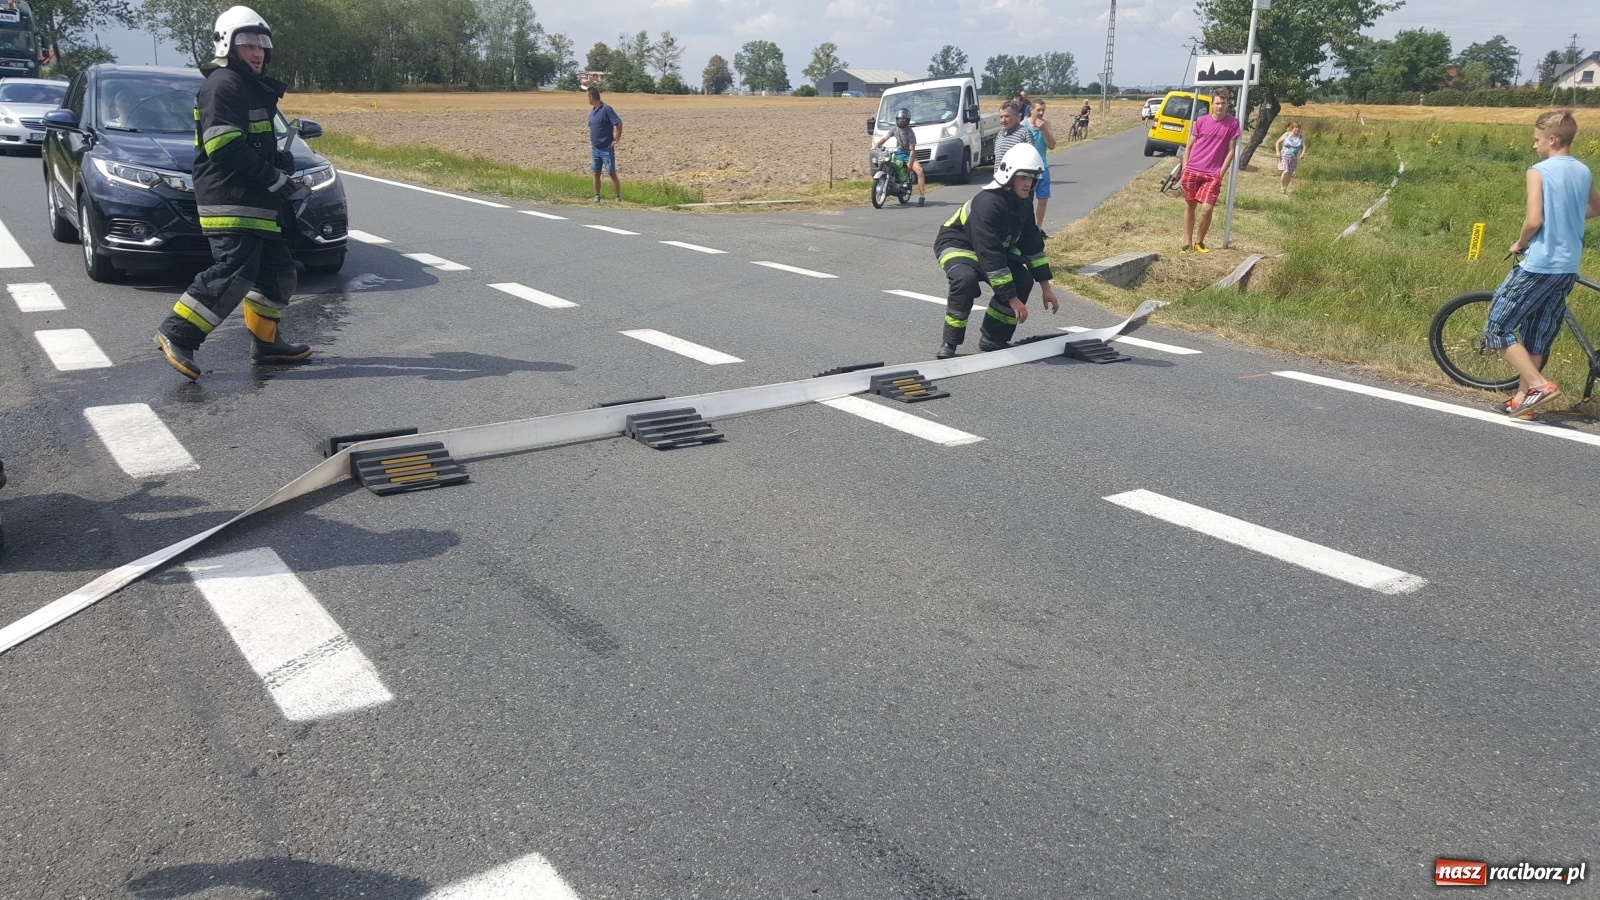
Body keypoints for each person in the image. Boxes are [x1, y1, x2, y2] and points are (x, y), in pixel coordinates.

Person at [155, 5, 311, 380]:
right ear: (227, 45)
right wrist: (273, 177)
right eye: (248, 44)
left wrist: (282, 166)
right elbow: (223, 145)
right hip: (230, 199)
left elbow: (256, 143)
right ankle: (177, 333)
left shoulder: (247, 87)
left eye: (261, 44)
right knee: (234, 273)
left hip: (255, 202)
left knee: (277, 275)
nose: (257, 52)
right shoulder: (222, 85)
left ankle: (267, 343)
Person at [1484, 109, 1600, 417]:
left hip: (1540, 263)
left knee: (1497, 327)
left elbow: (1533, 220)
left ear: (1552, 139)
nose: (1534, 146)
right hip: (1567, 266)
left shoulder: (1539, 171)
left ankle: (1538, 385)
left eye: (1536, 140)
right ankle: (1525, 401)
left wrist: (1520, 243)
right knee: (1537, 333)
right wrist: (1568, 216)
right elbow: (1596, 208)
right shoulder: (1583, 170)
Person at [932, 143, 1061, 359]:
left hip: (991, 249)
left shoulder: (1023, 201)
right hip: (959, 244)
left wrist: (1046, 287)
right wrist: (1012, 299)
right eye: (1023, 177)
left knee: (1022, 279)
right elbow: (990, 255)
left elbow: (1032, 245)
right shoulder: (987, 203)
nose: (1029, 183)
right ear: (1009, 175)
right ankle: (950, 343)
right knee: (965, 280)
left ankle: (993, 339)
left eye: (1032, 178)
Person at [1179, 89, 1239, 253]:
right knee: (1190, 205)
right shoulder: (1201, 121)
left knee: (1207, 208)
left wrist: (1221, 173)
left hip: (1213, 173)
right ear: (1212, 104)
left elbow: (1231, 151)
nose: (1220, 106)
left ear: (1227, 104)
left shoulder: (1233, 123)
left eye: (1223, 103)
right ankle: (1188, 243)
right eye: (1217, 103)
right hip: (1192, 169)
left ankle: (1200, 242)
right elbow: (1189, 146)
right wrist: (1184, 168)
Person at [872, 107, 926, 205]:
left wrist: (910, 164)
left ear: (907, 120)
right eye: (900, 119)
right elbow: (884, 138)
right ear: (896, 119)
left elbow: (913, 150)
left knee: (920, 171)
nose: (901, 121)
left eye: (904, 119)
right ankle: (883, 181)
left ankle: (922, 196)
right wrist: (877, 145)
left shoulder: (910, 133)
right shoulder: (894, 129)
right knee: (881, 160)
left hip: (908, 154)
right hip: (898, 153)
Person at [587, 87, 622, 202]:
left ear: (592, 97)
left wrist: (616, 139)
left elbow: (618, 123)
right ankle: (597, 196)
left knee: (611, 172)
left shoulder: (606, 109)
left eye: (588, 97)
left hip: (606, 148)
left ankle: (617, 198)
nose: (587, 99)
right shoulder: (593, 112)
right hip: (595, 148)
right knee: (596, 173)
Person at [1026, 100, 1057, 229]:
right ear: (1031, 110)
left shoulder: (1046, 125)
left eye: (1043, 110)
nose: (1041, 113)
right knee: (1026, 200)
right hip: (1028, 168)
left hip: (1043, 167)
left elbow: (1052, 146)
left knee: (1043, 199)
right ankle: (1027, 227)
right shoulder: (1023, 125)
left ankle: (1038, 228)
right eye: (1038, 110)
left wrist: (1044, 130)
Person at [992, 101, 1030, 168]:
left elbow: (1031, 161)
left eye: (1007, 116)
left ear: (1017, 117)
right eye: (1001, 117)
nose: (1003, 120)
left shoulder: (1024, 134)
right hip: (1000, 177)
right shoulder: (1000, 134)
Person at [1274, 122, 1305, 194]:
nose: (1297, 129)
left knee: (1290, 173)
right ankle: (1282, 187)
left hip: (1294, 157)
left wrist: (1302, 154)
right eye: (1295, 127)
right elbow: (1278, 142)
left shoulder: (1301, 136)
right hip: (1284, 156)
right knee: (1286, 171)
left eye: (1298, 128)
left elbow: (1304, 146)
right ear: (1292, 128)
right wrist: (1277, 152)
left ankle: (1285, 188)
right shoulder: (1287, 134)